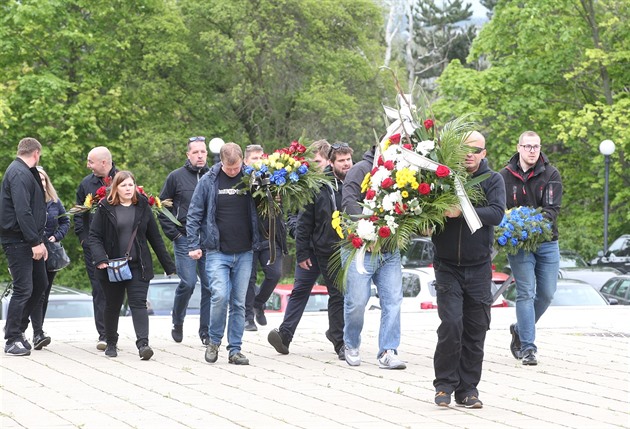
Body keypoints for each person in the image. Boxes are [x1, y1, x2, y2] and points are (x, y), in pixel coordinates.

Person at [431, 131, 506, 408]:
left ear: (484, 153)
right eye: (465, 150)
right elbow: (427, 211)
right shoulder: (444, 178)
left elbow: (496, 213)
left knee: (476, 330)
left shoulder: (493, 180)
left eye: (476, 150)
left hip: (479, 267)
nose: (470, 155)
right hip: (447, 266)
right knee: (451, 325)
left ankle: (468, 390)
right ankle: (444, 386)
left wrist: (462, 210)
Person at [268, 141, 352, 360]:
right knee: (300, 291)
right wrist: (302, 249)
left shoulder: (345, 183)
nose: (313, 166)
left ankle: (338, 338)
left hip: (332, 249)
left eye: (317, 161)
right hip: (311, 248)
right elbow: (299, 218)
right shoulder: (309, 184)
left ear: (328, 160)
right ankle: (285, 335)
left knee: (337, 294)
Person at [88, 171, 176, 360]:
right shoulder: (105, 207)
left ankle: (143, 344)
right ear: (115, 188)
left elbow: (155, 237)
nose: (128, 189)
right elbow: (94, 236)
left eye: (131, 185)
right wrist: (101, 258)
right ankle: (111, 342)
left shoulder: (143, 205)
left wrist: (169, 265)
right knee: (113, 305)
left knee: (138, 304)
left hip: (138, 265)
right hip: (112, 266)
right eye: (123, 185)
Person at [186, 143, 259, 365]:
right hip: (217, 251)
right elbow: (194, 213)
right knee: (219, 296)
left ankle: (235, 349)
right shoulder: (208, 181)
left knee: (238, 303)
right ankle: (214, 341)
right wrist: (193, 244)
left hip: (245, 250)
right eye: (229, 169)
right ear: (222, 162)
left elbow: (265, 208)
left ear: (242, 162)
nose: (233, 172)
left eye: (237, 167)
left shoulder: (252, 178)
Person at [341, 144, 407, 370]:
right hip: (362, 249)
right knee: (357, 302)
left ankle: (388, 350)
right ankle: (350, 343)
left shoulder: (402, 171)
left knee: (393, 301)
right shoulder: (359, 170)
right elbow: (348, 204)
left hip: (390, 250)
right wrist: (367, 232)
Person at [499, 131, 562, 366]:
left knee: (546, 293)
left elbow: (552, 210)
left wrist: (526, 223)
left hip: (547, 242)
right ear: (519, 148)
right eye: (528, 146)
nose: (532, 151)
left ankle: (519, 328)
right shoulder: (504, 176)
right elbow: (499, 208)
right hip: (518, 244)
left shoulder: (551, 174)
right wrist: (511, 229)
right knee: (525, 292)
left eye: (536, 146)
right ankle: (528, 348)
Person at [158, 136, 211, 345]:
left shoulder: (213, 175)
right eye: (196, 152)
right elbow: (162, 207)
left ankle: (205, 332)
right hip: (184, 238)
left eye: (203, 152)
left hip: (208, 239)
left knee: (210, 286)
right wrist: (176, 234)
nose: (200, 156)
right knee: (188, 283)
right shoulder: (176, 177)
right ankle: (177, 320)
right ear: (188, 155)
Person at [1, 138, 48, 356]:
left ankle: (18, 330)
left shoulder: (26, 172)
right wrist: (35, 242)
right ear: (36, 153)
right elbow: (23, 211)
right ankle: (12, 339)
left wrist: (40, 241)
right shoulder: (19, 173)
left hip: (30, 238)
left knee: (40, 284)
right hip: (18, 240)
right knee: (24, 288)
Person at [23, 166, 70, 350]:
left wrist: (56, 236)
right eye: (38, 179)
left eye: (43, 180)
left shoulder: (54, 201)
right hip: (33, 250)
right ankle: (36, 332)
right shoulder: (28, 200)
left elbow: (65, 220)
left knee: (46, 292)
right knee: (37, 292)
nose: (41, 183)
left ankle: (38, 330)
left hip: (51, 251)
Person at [75, 146, 118, 350]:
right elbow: (78, 214)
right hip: (94, 246)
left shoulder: (123, 180)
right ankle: (104, 334)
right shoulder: (86, 184)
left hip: (120, 247)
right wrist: (84, 240)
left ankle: (114, 331)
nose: (88, 165)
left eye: (90, 161)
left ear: (104, 162)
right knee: (99, 290)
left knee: (118, 289)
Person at [243, 144, 288, 332]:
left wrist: (279, 197)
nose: (258, 161)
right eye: (254, 158)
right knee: (249, 278)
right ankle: (247, 318)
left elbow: (285, 203)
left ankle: (258, 302)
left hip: (269, 235)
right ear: (246, 161)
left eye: (261, 157)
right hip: (247, 236)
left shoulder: (274, 178)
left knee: (275, 273)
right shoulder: (241, 179)